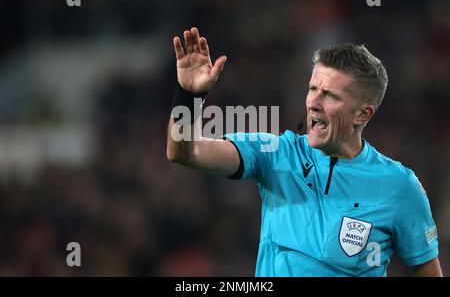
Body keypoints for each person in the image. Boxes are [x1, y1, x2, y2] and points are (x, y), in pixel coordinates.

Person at [166, 27, 442, 277]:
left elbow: (426, 270)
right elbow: (186, 152)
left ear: (362, 114)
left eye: (331, 95)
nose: (313, 103)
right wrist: (189, 96)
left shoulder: (399, 186)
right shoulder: (275, 154)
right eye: (313, 88)